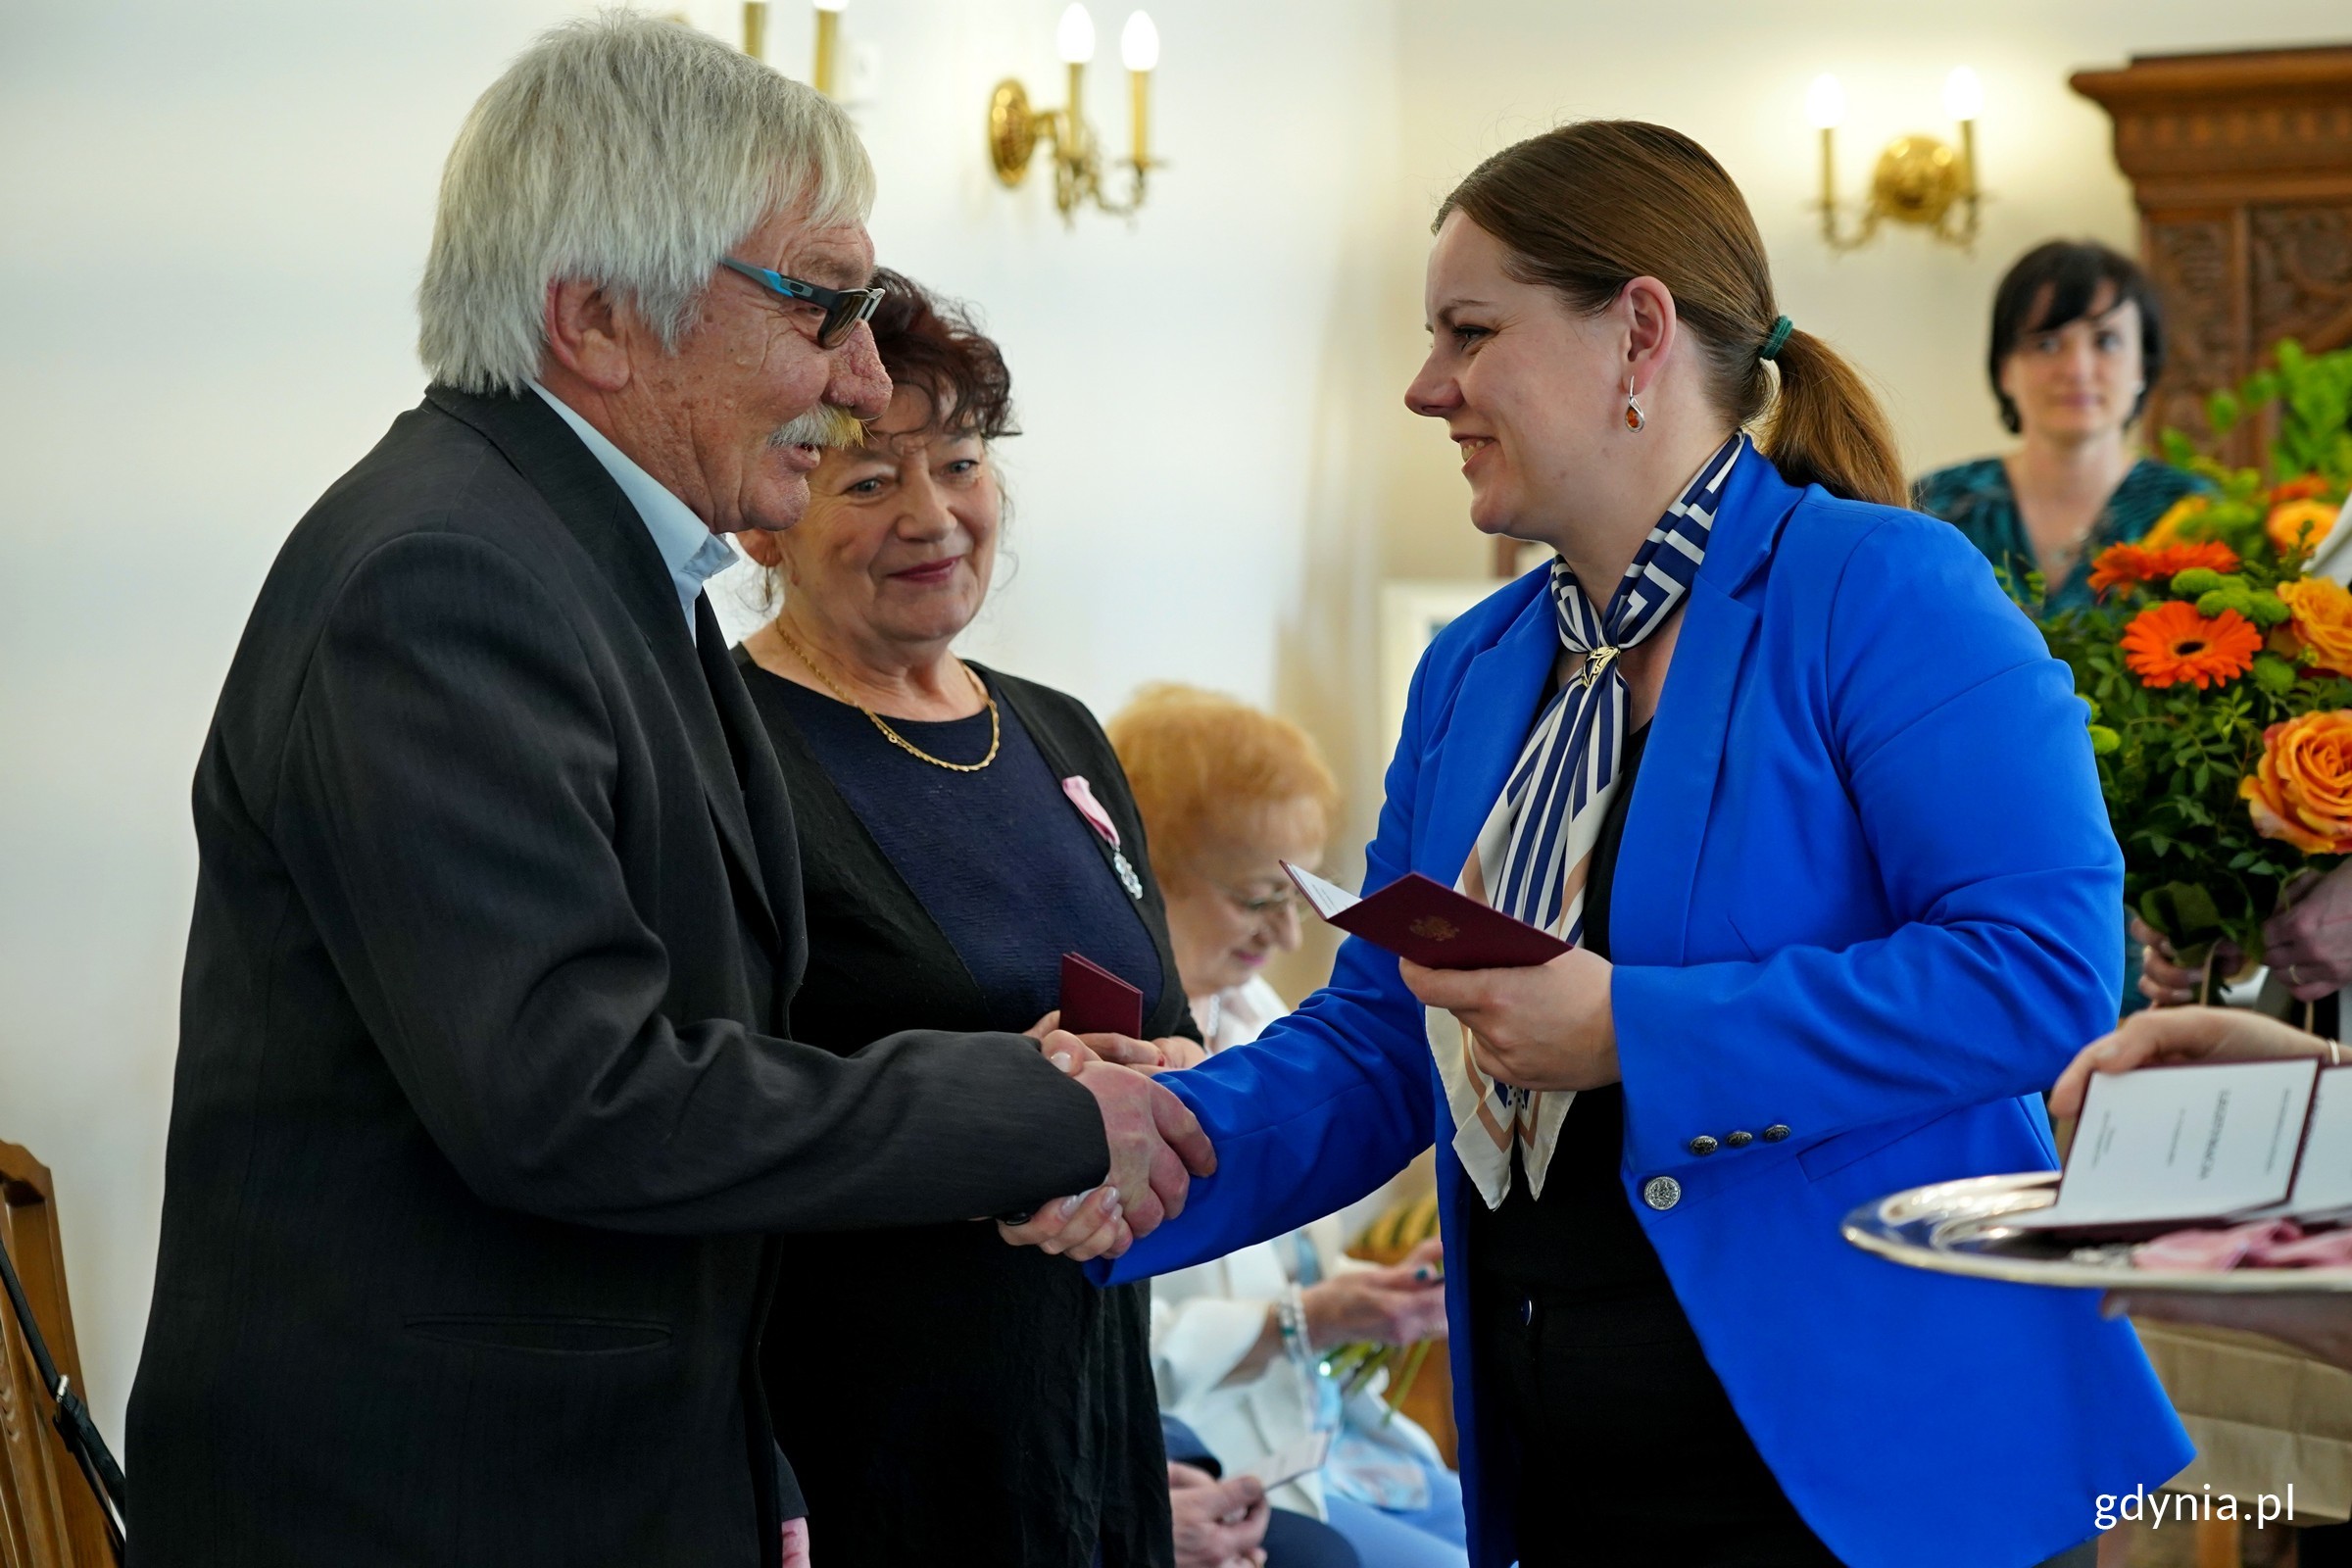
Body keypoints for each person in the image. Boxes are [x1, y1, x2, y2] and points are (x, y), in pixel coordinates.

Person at [1010, 121, 2190, 1568]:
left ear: (1638, 335)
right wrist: (1148, 1143)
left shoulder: (1885, 592)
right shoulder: (1475, 665)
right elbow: (1391, 1037)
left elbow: (2042, 973)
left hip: (1866, 1469)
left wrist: (1634, 1024)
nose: (1425, 385)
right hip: (1559, 1461)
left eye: (1470, 331)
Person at [122, 21, 1209, 1568]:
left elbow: (712, 1047)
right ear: (598, 320)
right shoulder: (444, 579)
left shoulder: (610, 572)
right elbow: (576, 1096)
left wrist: (745, 1454)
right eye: (822, 308)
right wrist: (1022, 1107)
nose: (860, 376)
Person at [725, 269, 1191, 1566]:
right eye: (868, 482)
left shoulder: (1057, 732)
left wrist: (1159, 1091)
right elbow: (712, 1101)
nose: (932, 518)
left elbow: (1176, 1028)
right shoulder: (724, 746)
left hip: (1089, 1398)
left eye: (964, 466)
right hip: (861, 1429)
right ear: (768, 520)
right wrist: (1023, 1112)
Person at [1108, 685, 1468, 1568]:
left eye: (1299, 893)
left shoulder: (1256, 1013)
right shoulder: (1108, 1053)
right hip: (1219, 1457)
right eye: (1255, 897)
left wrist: (1370, 1294)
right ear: (1153, 879)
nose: (1285, 930)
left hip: (1327, 1428)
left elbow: (1287, 1248)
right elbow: (1121, 1345)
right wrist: (1307, 1318)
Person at [1913, 239, 2208, 614]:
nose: (2077, 370)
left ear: (2141, 368)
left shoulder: (2195, 515)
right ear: (2005, 369)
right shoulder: (1935, 506)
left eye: (2106, 341)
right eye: (2047, 344)